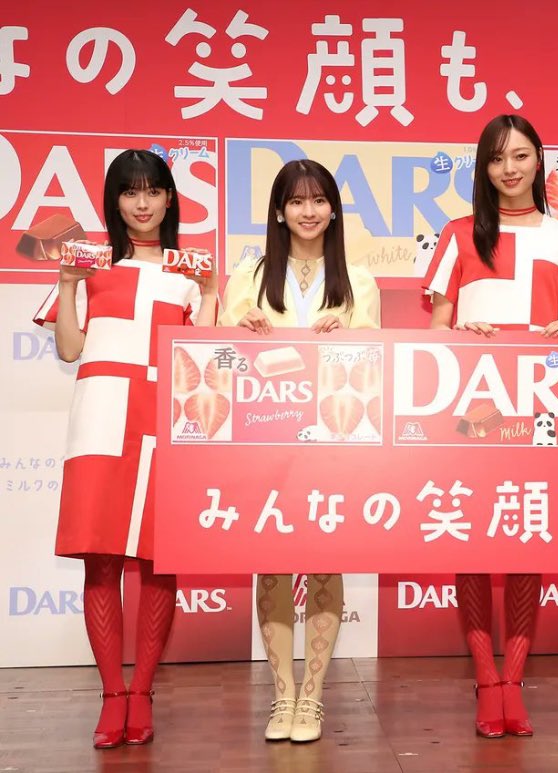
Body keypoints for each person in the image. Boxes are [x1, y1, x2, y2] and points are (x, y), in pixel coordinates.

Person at [423, 114, 558, 737]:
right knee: (472, 540)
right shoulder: (459, 234)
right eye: (497, 158)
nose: (510, 168)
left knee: (528, 534)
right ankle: (485, 680)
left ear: (539, 161)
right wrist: (458, 333)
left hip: (541, 406)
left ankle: (513, 684)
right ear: (483, 167)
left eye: (521, 155)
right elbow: (436, 327)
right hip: (473, 405)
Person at [33, 149, 218, 748]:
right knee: (101, 558)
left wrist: (210, 291)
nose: (142, 203)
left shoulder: (189, 270)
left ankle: (143, 693)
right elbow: (69, 349)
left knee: (159, 559)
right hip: (101, 417)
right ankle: (113, 694)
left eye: (153, 191)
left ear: (170, 199)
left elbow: (206, 357)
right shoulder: (92, 265)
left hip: (165, 418)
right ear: (114, 201)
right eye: (130, 192)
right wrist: (67, 285)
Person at [219, 159, 381, 742]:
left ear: (334, 210)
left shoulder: (358, 280)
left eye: (318, 201)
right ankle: (281, 695)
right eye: (296, 201)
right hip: (266, 441)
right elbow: (220, 356)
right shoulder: (250, 274)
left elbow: (375, 363)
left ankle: (311, 698)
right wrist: (242, 329)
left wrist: (350, 337)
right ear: (279, 211)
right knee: (272, 560)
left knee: (324, 560)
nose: (308, 212)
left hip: (334, 443)